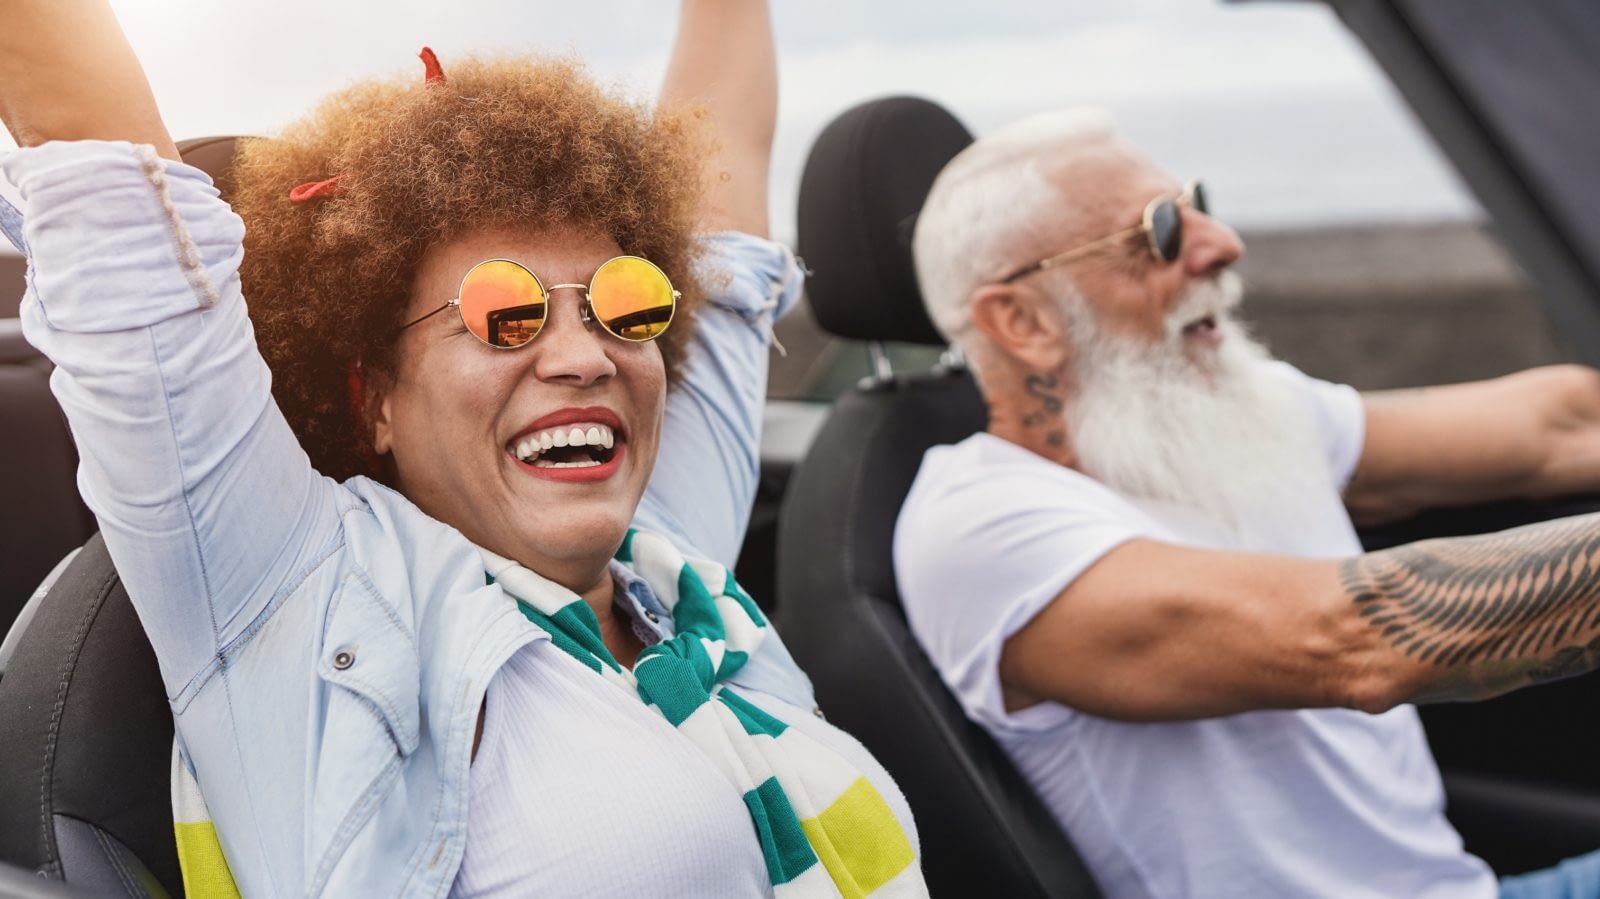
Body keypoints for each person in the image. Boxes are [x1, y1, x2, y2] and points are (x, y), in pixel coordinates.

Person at [0, 1, 927, 896]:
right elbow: (100, 160)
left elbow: (723, 185)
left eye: (626, 302)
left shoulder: (670, 562)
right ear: (375, 401)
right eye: (503, 315)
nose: (583, 356)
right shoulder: (294, 595)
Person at [894, 108, 1600, 899]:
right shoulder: (981, 524)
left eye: (1199, 201)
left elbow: (1555, 426)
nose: (1221, 242)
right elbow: (1352, 640)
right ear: (1019, 320)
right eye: (1159, 230)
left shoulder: (1230, 410)